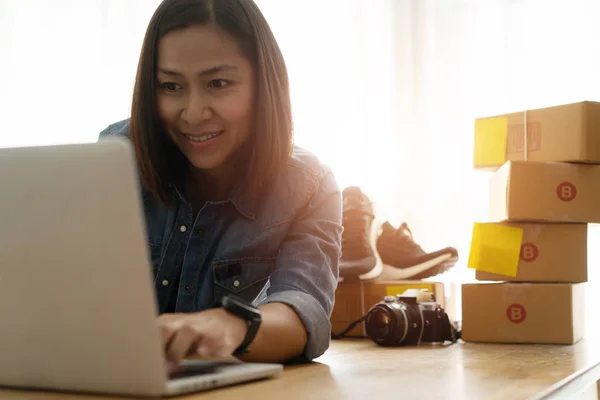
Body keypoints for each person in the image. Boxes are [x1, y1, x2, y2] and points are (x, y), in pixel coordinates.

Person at [98, 0, 342, 369]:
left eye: (218, 83)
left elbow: (302, 311)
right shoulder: (116, 158)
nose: (194, 113)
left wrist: (231, 325)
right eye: (170, 86)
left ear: (264, 85)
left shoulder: (310, 186)